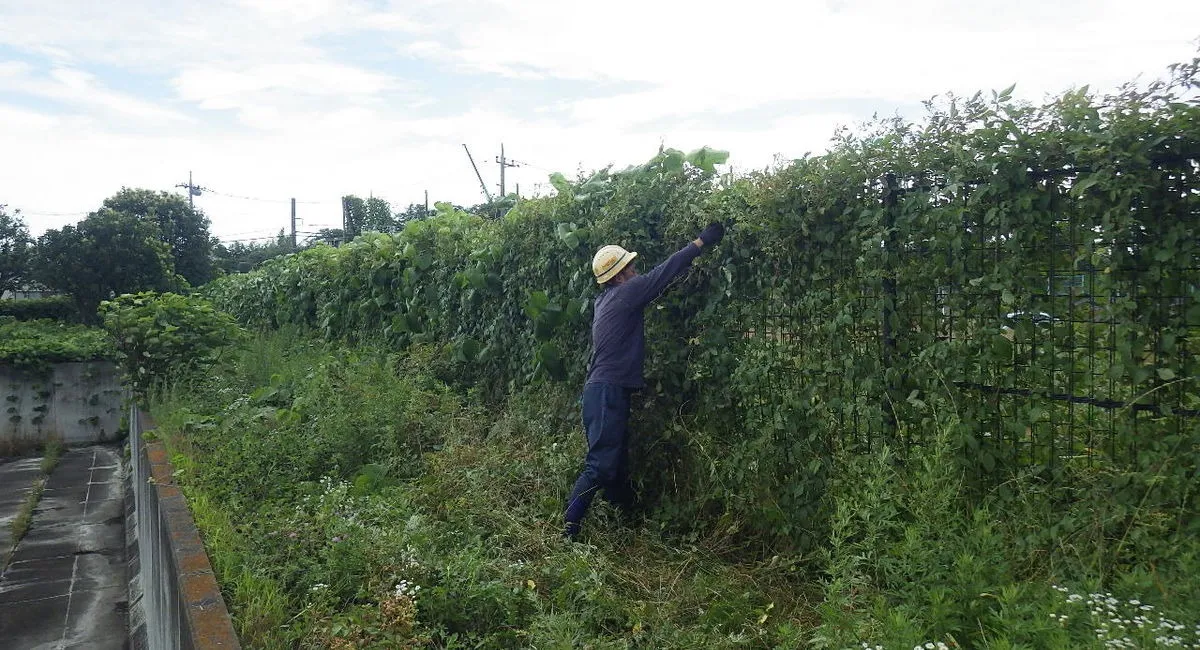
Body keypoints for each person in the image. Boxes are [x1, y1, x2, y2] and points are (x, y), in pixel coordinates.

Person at [563, 222, 726, 540]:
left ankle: (627, 524)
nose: (637, 272)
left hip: (603, 391)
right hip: (607, 391)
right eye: (632, 267)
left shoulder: (605, 300)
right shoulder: (627, 293)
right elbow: (665, 272)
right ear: (620, 274)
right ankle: (568, 530)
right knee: (601, 465)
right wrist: (700, 242)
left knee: (616, 462)